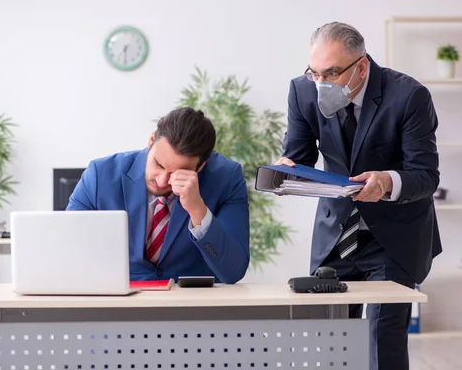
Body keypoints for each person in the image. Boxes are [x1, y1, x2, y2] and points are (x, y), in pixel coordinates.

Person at [276, 22, 442, 370]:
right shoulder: (302, 91)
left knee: (383, 340)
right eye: (314, 72)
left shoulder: (408, 96)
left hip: (394, 236)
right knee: (333, 340)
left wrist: (387, 181)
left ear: (361, 66)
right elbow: (300, 156)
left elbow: (425, 176)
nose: (321, 83)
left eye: (332, 73)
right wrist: (286, 169)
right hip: (336, 234)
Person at [67, 107, 250, 284]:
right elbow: (67, 249)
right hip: (118, 304)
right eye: (158, 164)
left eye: (177, 172)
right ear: (151, 140)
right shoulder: (100, 175)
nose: (162, 181)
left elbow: (232, 272)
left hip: (192, 306)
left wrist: (198, 210)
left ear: (200, 167)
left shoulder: (226, 179)